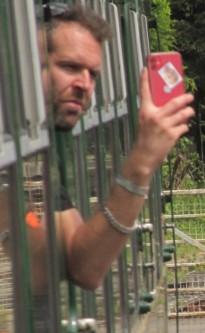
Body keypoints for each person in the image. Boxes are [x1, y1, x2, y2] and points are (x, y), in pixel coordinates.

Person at [28, 3, 194, 293]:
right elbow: (40, 269)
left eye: (93, 74)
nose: (84, 85)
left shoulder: (37, 159)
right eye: (69, 67)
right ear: (26, 64)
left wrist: (142, 163)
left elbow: (84, 268)